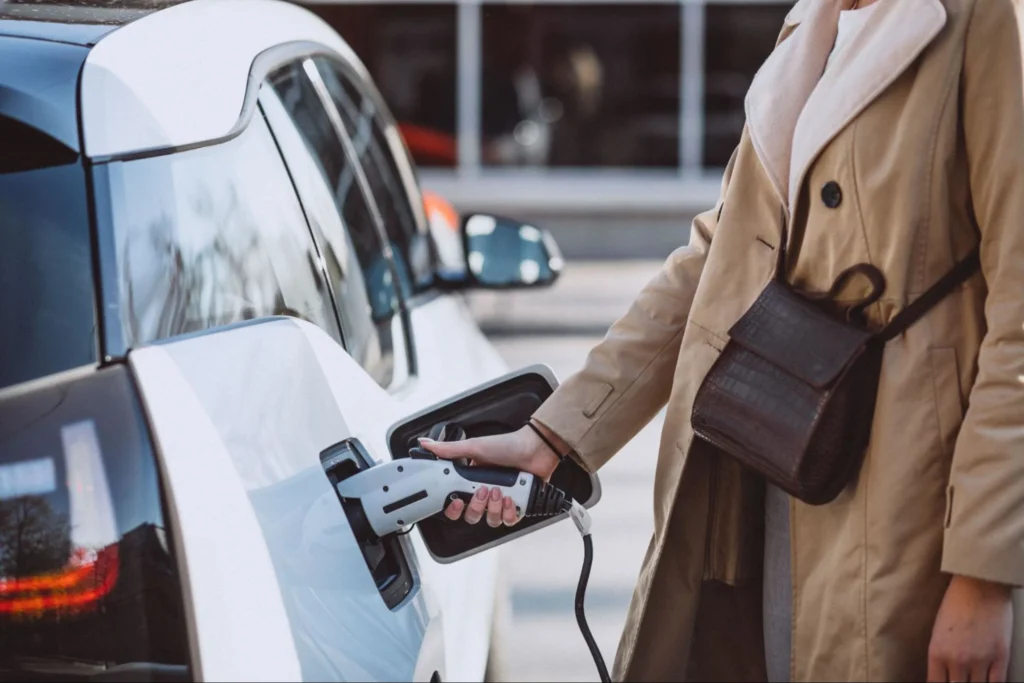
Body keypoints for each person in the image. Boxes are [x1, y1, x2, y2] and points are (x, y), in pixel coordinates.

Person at [421, 0, 1024, 680]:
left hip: (909, 497)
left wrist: (983, 571)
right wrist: (556, 435)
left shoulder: (977, 19)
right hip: (771, 464)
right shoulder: (809, 25)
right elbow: (718, 259)